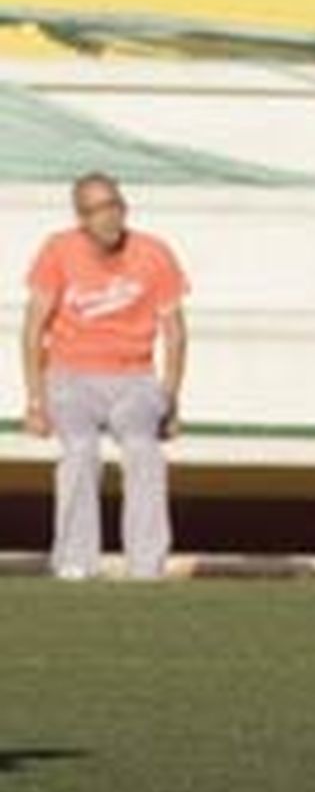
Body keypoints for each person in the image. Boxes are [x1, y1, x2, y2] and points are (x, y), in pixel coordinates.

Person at [21, 173, 188, 580]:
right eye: (98, 209)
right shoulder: (58, 251)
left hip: (134, 378)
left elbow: (176, 333)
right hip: (71, 376)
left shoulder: (154, 253)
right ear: (81, 217)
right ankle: (76, 565)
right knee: (80, 450)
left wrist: (169, 397)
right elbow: (32, 329)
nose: (110, 217)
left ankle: (147, 569)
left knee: (143, 451)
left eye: (115, 205)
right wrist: (36, 401)